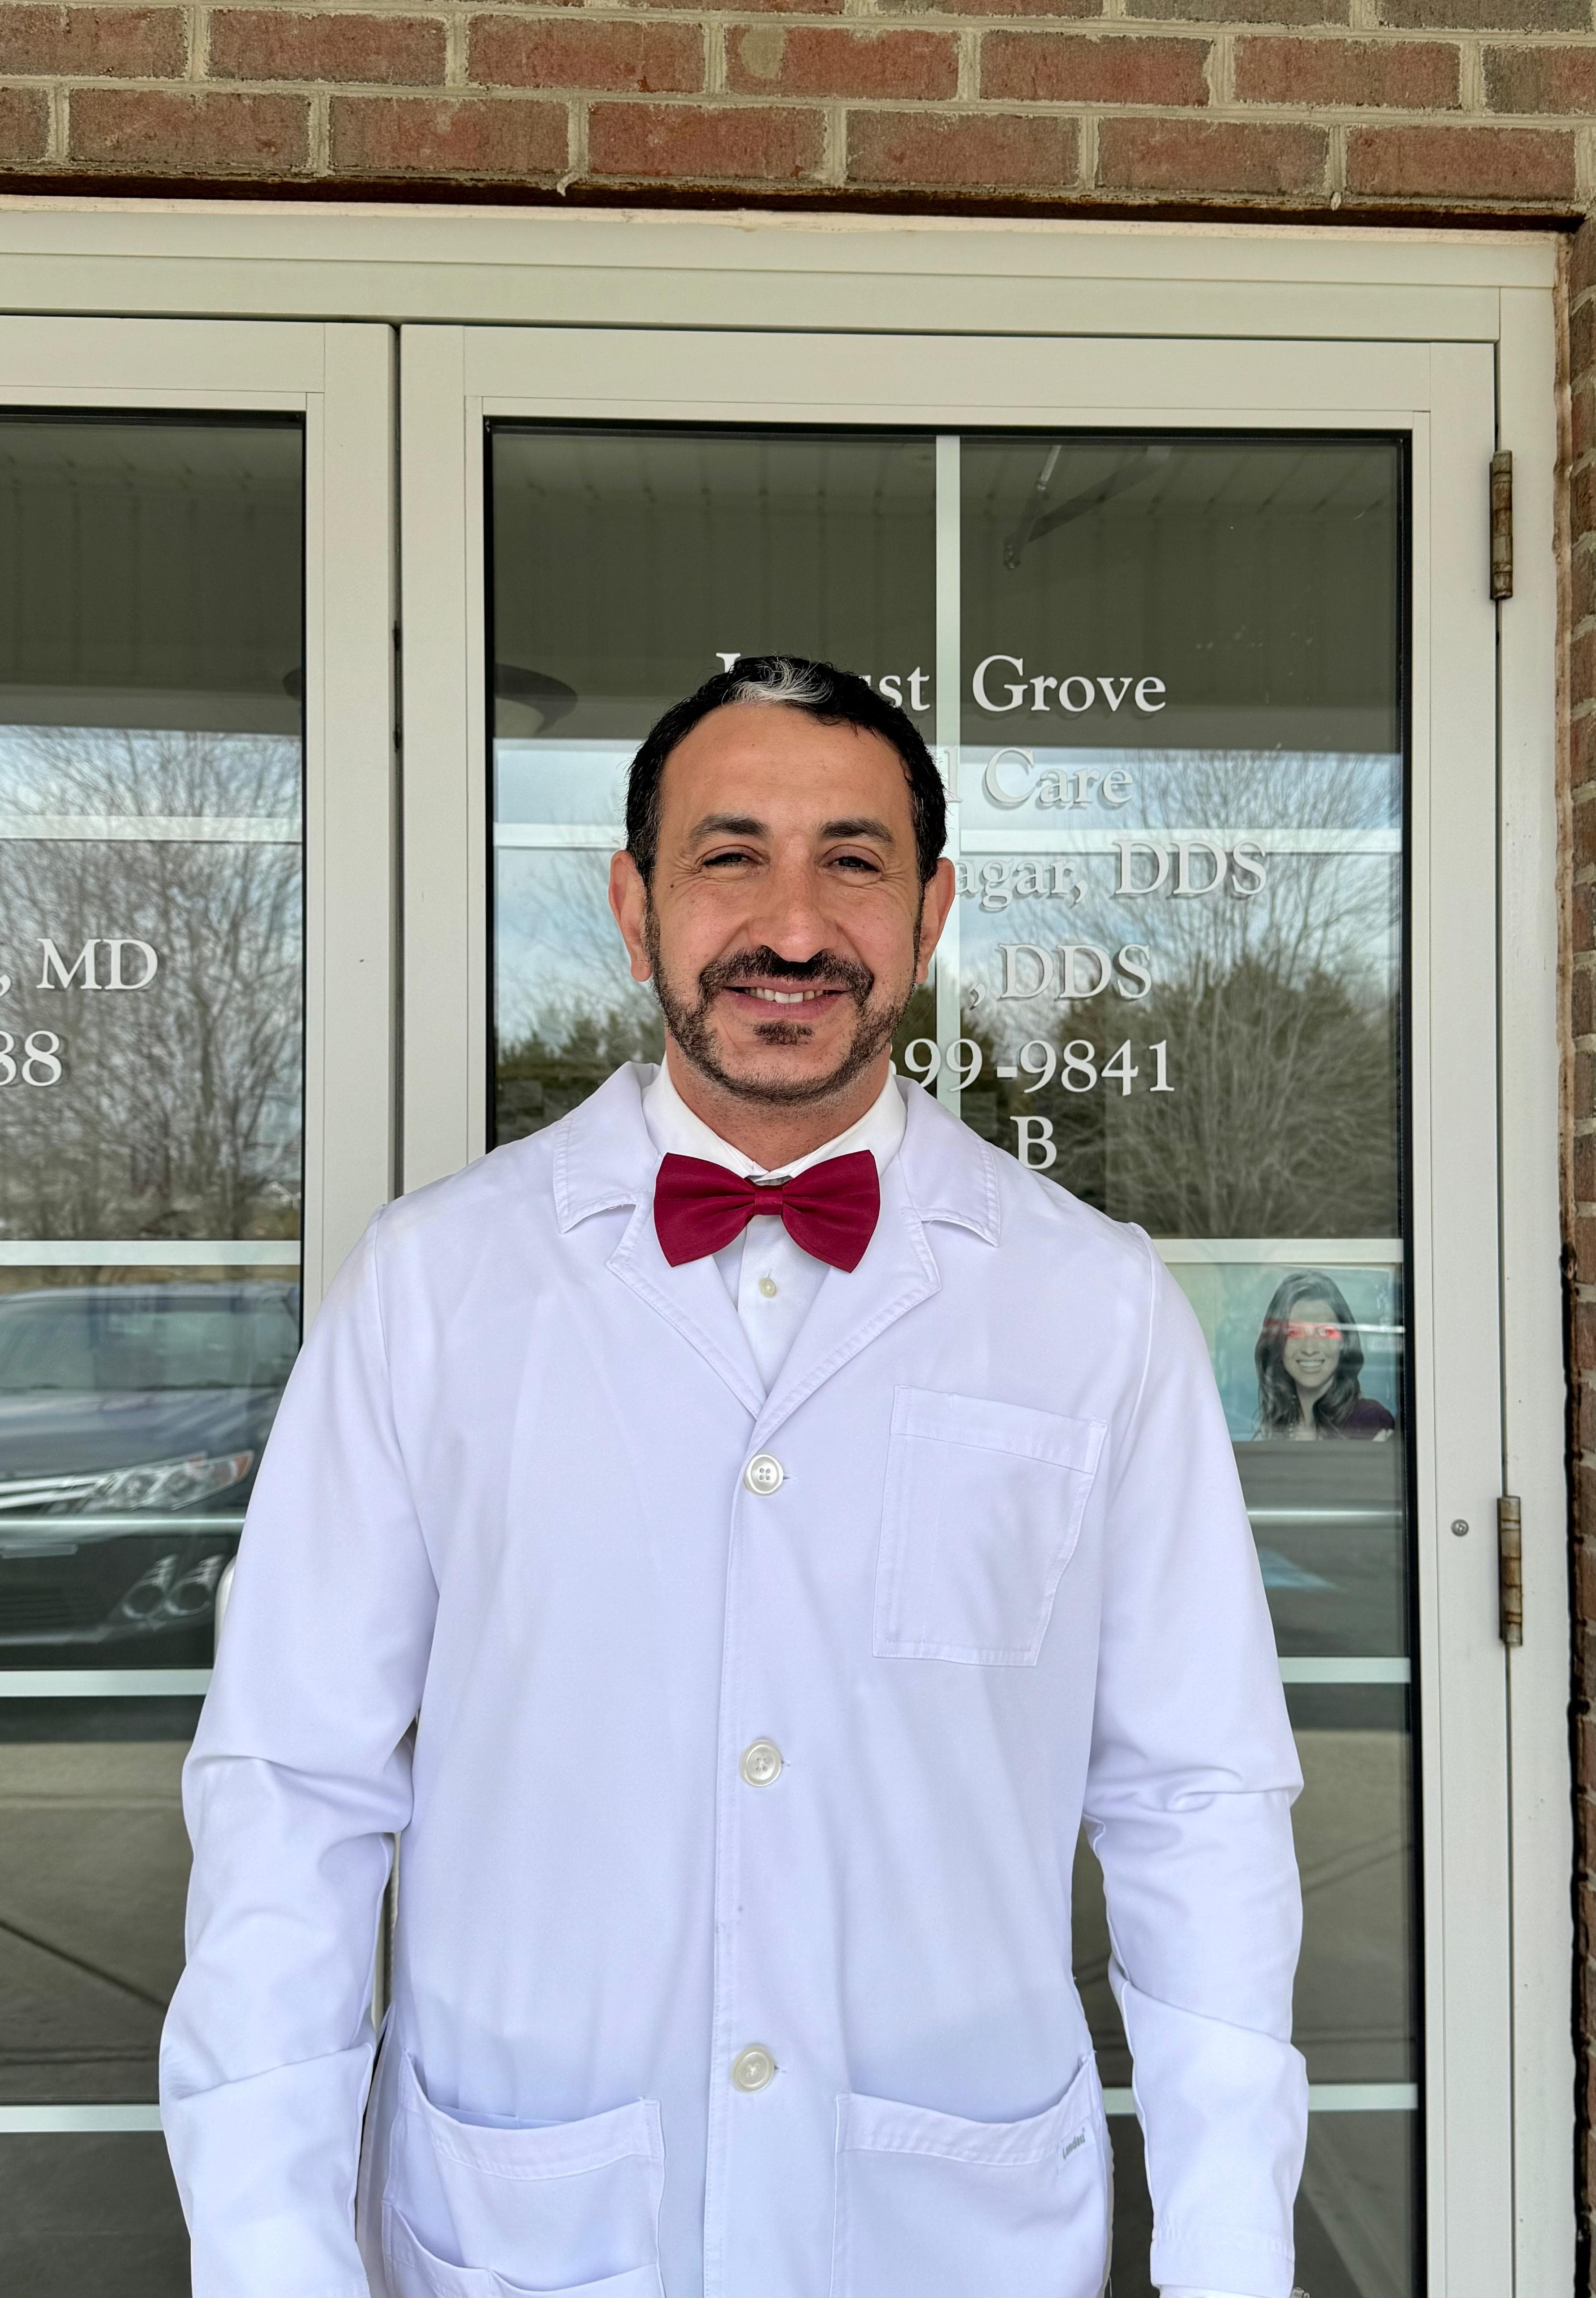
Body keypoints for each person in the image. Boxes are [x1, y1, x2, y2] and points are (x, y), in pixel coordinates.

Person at [160, 656, 1306, 2298]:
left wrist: (1230, 2249)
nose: (790, 922)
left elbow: (1192, 1796)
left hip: (952, 2225)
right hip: (526, 2221)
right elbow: (297, 1791)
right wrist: (273, 2259)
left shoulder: (1093, 1298)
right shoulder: (433, 1284)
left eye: (852, 858)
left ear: (930, 913)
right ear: (632, 905)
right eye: (728, 853)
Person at [1254, 1270, 1396, 1442]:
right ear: (1277, 1343)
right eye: (1294, 1332)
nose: (1309, 1348)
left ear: (1344, 1342)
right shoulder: (1279, 1426)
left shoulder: (1369, 1422)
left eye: (1324, 1332)